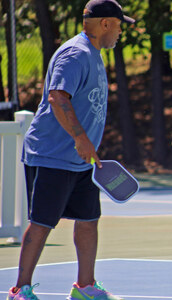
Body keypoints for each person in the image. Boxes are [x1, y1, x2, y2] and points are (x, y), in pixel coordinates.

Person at [7, 1, 134, 299]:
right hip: (52, 154)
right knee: (41, 223)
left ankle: (85, 287)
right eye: (118, 25)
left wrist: (84, 145)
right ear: (105, 24)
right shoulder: (76, 54)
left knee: (88, 220)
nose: (119, 33)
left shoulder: (94, 53)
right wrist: (80, 138)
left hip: (79, 160)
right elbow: (57, 98)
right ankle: (20, 290)